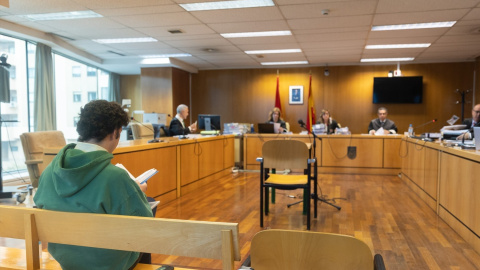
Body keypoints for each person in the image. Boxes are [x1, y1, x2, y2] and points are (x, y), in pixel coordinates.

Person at [34, 100, 153, 270]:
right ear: (115, 133)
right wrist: (138, 192)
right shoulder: (115, 177)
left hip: (65, 259)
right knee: (148, 206)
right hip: (108, 264)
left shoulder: (49, 172)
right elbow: (146, 226)